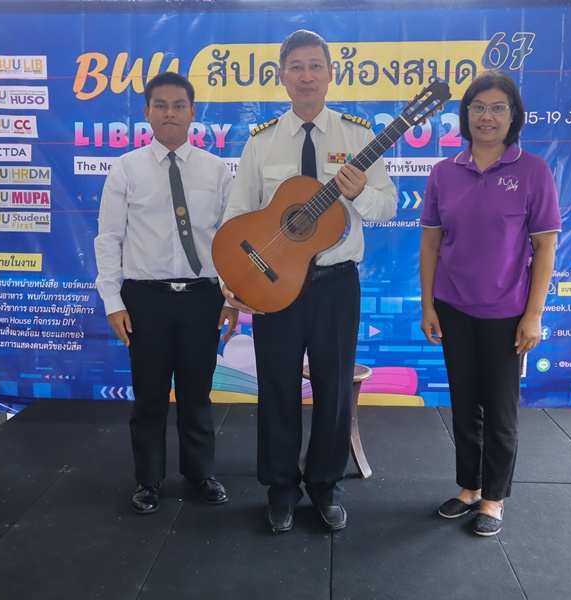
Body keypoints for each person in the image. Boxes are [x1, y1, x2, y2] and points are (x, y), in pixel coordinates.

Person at [221, 29, 397, 533]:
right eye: (296, 67)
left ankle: (326, 487)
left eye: (315, 65)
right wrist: (232, 280)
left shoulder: (358, 137)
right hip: (274, 283)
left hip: (335, 283)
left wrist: (360, 194)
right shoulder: (262, 142)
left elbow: (386, 207)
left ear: (330, 74)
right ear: (282, 76)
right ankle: (280, 490)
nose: (306, 76)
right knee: (277, 386)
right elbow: (237, 215)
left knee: (334, 388)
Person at [419, 70, 561, 536]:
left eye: (498, 107)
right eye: (478, 107)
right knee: (464, 406)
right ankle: (470, 487)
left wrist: (534, 315)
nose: (487, 116)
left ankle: (494, 498)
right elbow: (431, 245)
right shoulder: (444, 172)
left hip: (507, 313)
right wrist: (428, 305)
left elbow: (545, 247)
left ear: (513, 115)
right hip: (453, 307)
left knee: (500, 411)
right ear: (465, 115)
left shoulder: (533, 171)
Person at [94, 71, 238, 515]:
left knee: (197, 393)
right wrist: (113, 301)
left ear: (193, 112)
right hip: (145, 299)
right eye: (160, 105)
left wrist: (230, 298)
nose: (169, 113)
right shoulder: (126, 168)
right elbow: (108, 238)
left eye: (178, 105)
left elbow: (230, 240)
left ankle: (200, 474)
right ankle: (149, 480)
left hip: (203, 298)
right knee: (150, 395)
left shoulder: (217, 170)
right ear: (147, 113)